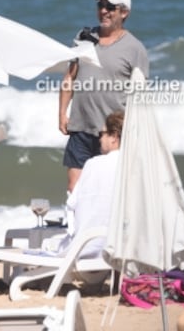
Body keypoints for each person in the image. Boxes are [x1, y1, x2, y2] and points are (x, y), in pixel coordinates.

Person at [58, 0, 149, 192]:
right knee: (75, 189)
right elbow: (69, 77)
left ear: (124, 12)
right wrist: (62, 113)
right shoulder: (84, 37)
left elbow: (141, 96)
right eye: (101, 5)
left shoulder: (135, 49)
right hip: (80, 128)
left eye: (110, 7)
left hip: (111, 134)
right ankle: (77, 225)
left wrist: (135, 131)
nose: (104, 11)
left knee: (109, 191)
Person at [52, 110, 124, 258]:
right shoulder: (135, 168)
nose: (99, 139)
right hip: (119, 252)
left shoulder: (93, 164)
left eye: (102, 134)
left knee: (51, 245)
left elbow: (72, 205)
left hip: (86, 250)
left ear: (114, 137)